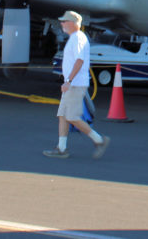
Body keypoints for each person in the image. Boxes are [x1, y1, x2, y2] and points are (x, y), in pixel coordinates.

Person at [42, 10, 109, 159]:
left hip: (75, 84)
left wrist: (69, 81)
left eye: (65, 21)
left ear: (73, 23)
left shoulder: (78, 38)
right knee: (63, 116)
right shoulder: (75, 38)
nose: (62, 24)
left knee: (72, 117)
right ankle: (61, 148)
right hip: (72, 84)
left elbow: (79, 61)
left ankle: (99, 140)